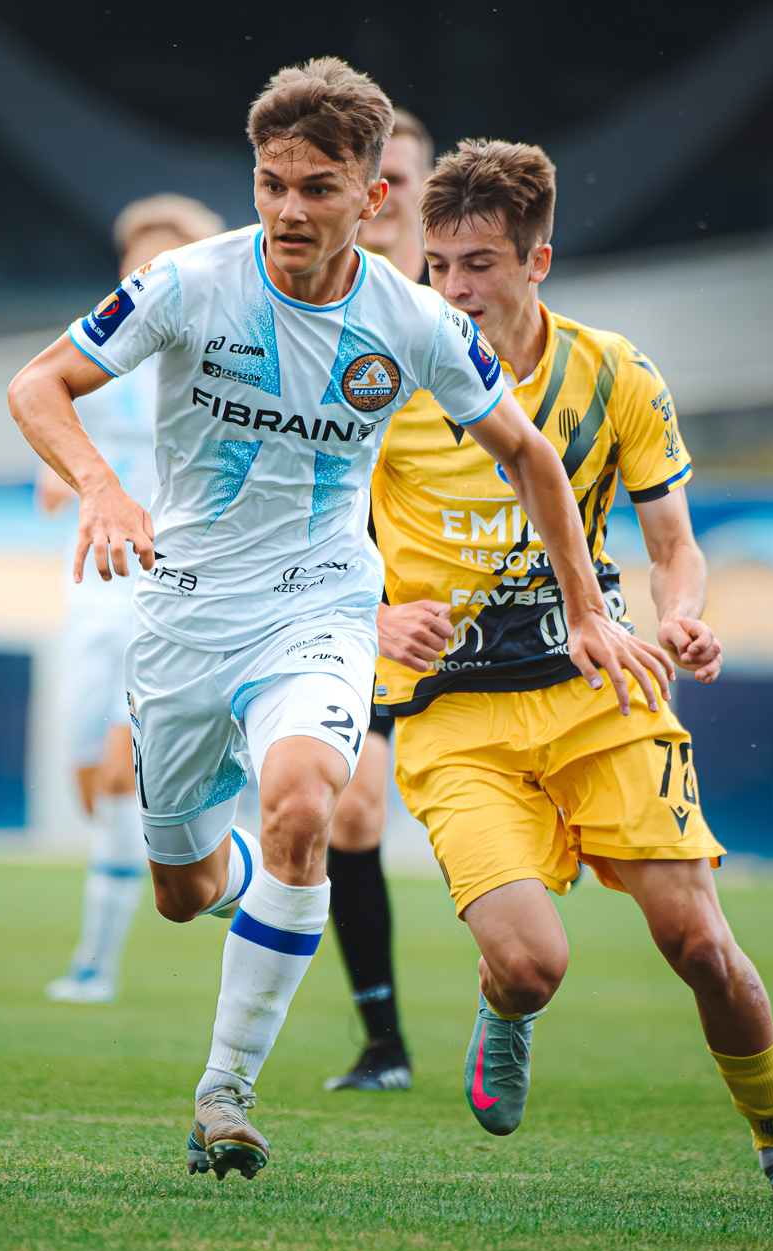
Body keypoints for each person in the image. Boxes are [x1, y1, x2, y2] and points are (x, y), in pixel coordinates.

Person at [7, 59, 650, 1182]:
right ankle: (251, 888)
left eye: (318, 187)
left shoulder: (413, 320)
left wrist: (587, 607)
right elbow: (36, 386)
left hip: (319, 604)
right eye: (272, 184)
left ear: (373, 195)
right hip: (185, 616)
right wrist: (103, 489)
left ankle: (225, 1095)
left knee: (306, 801)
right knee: (183, 893)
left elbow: (532, 456)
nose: (290, 209)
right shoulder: (185, 283)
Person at [371, 140, 773, 1205]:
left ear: (537, 261)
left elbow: (675, 544)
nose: (454, 289)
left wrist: (681, 617)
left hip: (600, 694)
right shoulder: (384, 379)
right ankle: (505, 1006)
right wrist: (375, 614)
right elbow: (309, 538)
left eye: (480, 264)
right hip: (454, 717)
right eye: (439, 265)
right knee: (531, 964)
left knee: (700, 944)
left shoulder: (615, 373)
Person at [43, 195, 226, 1005]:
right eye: (136, 262)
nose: (146, 275)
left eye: (163, 262)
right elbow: (54, 428)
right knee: (93, 788)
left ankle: (95, 966)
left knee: (123, 777)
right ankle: (231, 868)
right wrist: (59, 475)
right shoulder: (97, 352)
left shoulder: (215, 357)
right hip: (94, 591)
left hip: (171, 588)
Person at [321, 105, 434, 1093]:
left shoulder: (456, 317)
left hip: (462, 601)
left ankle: (511, 989)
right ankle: (384, 1041)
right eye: (374, 173)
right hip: (349, 594)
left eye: (403, 173)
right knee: (352, 812)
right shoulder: (318, 310)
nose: (387, 191)